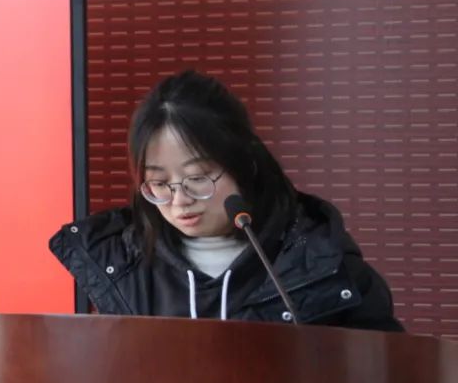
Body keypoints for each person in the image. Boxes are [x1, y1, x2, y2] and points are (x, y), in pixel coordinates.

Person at [49, 70, 403, 331]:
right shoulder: (122, 267)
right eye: (159, 183)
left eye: (197, 179)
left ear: (245, 164)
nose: (179, 201)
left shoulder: (322, 263)